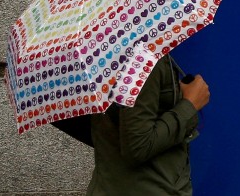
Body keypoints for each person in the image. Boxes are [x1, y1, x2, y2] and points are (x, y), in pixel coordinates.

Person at [86, 54, 210, 195]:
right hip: (150, 187)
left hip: (111, 185)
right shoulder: (143, 54)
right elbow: (138, 145)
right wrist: (190, 105)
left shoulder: (105, 48)